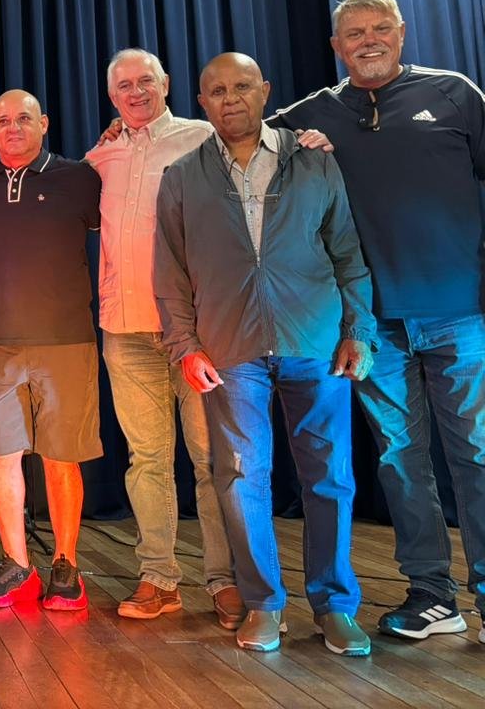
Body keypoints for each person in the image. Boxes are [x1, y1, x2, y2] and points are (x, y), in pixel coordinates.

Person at [274, 0, 485, 644]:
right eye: (354, 33)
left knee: (478, 454)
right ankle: (433, 596)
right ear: (336, 47)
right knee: (399, 459)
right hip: (371, 326)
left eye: (379, 28)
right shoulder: (312, 113)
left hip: (461, 313)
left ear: (401, 31)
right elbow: (238, 132)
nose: (368, 40)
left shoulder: (454, 94)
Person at [155, 52, 375, 656]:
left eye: (242, 87)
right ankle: (263, 603)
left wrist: (358, 330)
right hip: (228, 347)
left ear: (265, 91)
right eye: (217, 90)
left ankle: (335, 606)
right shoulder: (181, 176)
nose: (230, 99)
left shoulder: (313, 160)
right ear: (202, 102)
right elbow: (169, 275)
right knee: (239, 476)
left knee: (329, 475)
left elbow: (348, 253)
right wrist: (185, 346)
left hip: (316, 341)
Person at [85, 50, 242, 626]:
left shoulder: (203, 138)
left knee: (210, 459)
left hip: (195, 332)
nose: (136, 92)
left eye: (145, 81)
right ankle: (159, 578)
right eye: (124, 85)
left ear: (166, 84)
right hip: (125, 330)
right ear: (112, 96)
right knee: (146, 460)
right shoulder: (100, 157)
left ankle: (226, 581)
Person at [0, 90, 102, 611]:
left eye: (23, 118)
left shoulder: (82, 178)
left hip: (67, 340)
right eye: (2, 120)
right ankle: (17, 564)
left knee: (62, 457)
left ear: (44, 123)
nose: (13, 127)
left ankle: (65, 565)